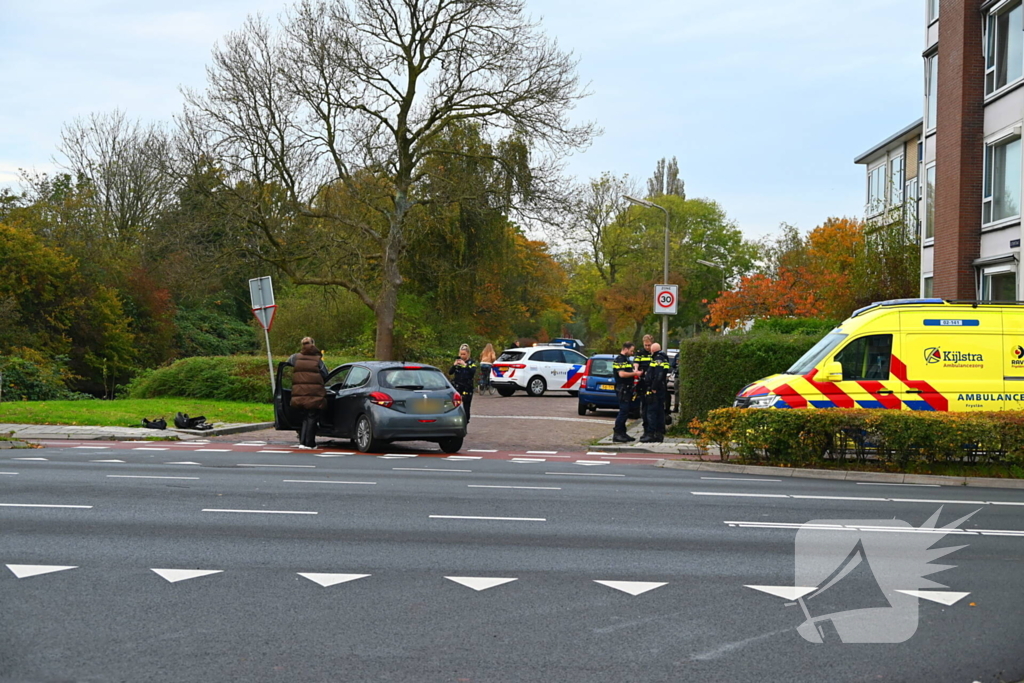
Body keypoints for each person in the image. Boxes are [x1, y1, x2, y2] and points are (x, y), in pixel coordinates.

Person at [288, 336, 328, 449]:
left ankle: (303, 442)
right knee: (312, 416)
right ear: (314, 344)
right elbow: (325, 374)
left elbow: (286, 368)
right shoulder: (318, 360)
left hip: (299, 392)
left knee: (304, 417)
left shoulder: (294, 358)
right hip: (314, 393)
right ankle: (309, 443)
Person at [640, 342, 671, 443]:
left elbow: (658, 374)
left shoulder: (658, 358)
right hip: (661, 388)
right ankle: (658, 434)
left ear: (653, 350)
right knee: (659, 411)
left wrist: (653, 387)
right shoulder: (663, 357)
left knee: (651, 412)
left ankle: (651, 434)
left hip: (656, 390)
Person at [612, 342, 642, 443]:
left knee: (626, 411)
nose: (632, 352)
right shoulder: (620, 359)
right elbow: (622, 374)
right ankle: (617, 434)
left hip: (627, 389)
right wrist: (635, 373)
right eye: (631, 350)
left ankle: (623, 433)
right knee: (623, 411)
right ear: (626, 349)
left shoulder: (625, 359)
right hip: (622, 389)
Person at [448, 343, 478, 422]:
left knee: (466, 406)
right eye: (461, 354)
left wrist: (465, 365)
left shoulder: (471, 363)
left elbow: (472, 372)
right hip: (457, 386)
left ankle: (465, 421)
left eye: (464, 354)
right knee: (454, 405)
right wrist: (454, 365)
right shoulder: (457, 362)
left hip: (467, 387)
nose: (462, 356)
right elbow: (450, 372)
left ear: (468, 354)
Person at [632, 334, 654, 434]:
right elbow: (636, 362)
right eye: (646, 345)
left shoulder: (655, 353)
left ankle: (653, 428)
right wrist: (636, 370)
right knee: (644, 406)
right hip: (643, 383)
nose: (647, 347)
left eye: (649, 345)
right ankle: (646, 428)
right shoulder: (640, 353)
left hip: (653, 383)